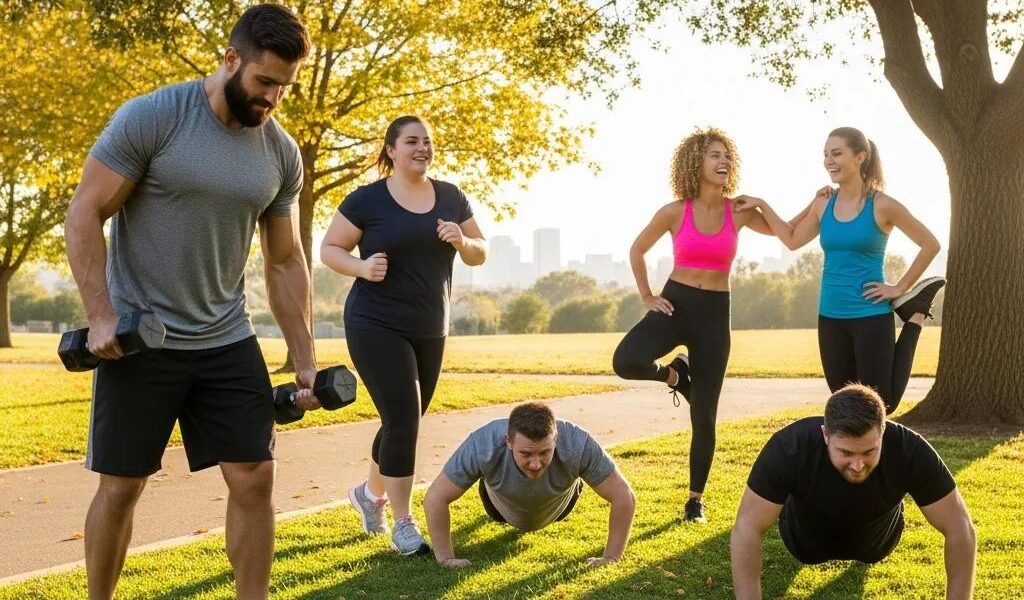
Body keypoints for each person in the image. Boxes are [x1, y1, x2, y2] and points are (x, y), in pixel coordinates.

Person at [64, 5, 315, 599]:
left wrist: (303, 353)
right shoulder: (154, 118)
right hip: (140, 337)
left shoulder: (279, 153)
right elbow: (85, 213)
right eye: (264, 82)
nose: (273, 97)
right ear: (231, 59)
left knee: (255, 477)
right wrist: (100, 314)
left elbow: (284, 259)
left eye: (284, 86)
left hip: (226, 336)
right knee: (122, 486)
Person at [320, 115, 487, 555]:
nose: (422, 148)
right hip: (375, 323)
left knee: (400, 423)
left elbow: (480, 252)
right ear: (391, 150)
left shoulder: (451, 197)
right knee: (404, 421)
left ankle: (368, 495)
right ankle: (404, 523)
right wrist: (360, 267)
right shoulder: (367, 200)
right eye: (412, 141)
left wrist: (462, 242)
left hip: (431, 327)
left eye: (427, 141)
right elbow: (330, 248)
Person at [611, 127, 779, 523]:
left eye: (726, 156)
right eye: (713, 156)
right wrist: (647, 296)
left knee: (704, 416)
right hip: (676, 303)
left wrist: (763, 204)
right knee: (626, 360)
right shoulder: (675, 211)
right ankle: (674, 375)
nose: (723, 162)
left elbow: (784, 232)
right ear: (695, 163)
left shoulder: (738, 211)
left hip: (714, 314)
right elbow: (637, 249)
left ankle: (694, 501)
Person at [734, 127, 944, 414]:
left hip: (870, 313)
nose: (829, 161)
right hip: (830, 315)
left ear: (860, 157)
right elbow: (792, 239)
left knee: (882, 404)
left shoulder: (882, 205)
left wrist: (899, 287)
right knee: (845, 402)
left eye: (836, 154)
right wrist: (762, 204)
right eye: (825, 155)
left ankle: (915, 317)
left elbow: (930, 244)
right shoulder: (823, 203)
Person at [731, 384, 976, 600]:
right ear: (825, 435)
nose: (858, 465)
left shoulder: (909, 449)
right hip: (803, 542)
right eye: (846, 453)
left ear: (882, 433)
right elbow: (747, 526)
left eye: (869, 452)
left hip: (878, 543)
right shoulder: (789, 446)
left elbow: (960, 527)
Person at [423, 402, 636, 568]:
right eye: (525, 453)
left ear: (556, 439)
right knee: (490, 487)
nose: (535, 464)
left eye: (544, 452)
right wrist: (446, 559)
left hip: (559, 506)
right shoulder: (482, 444)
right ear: (508, 441)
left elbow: (624, 495)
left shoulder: (577, 443)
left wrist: (611, 557)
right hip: (499, 508)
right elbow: (435, 497)